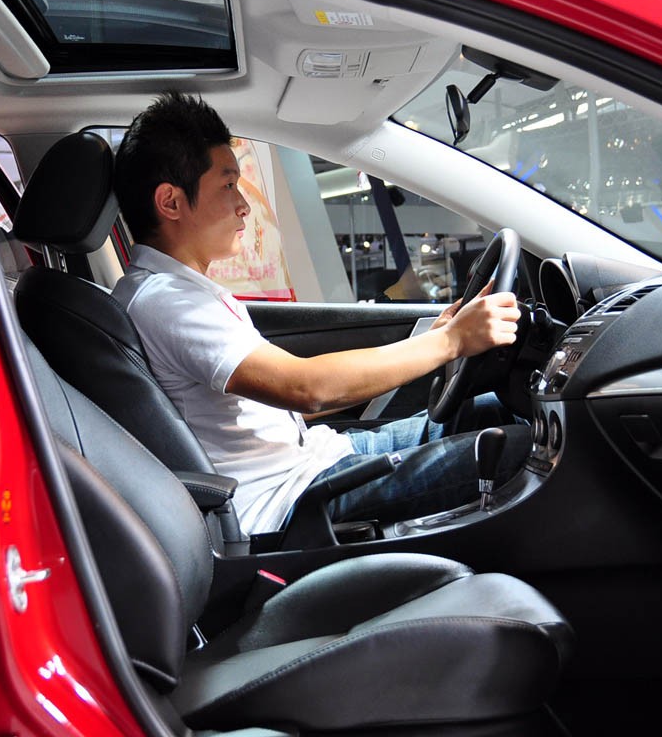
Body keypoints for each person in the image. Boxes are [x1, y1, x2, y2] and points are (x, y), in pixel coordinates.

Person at [111, 91, 530, 534]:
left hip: (314, 459)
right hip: (293, 499)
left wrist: (433, 341)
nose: (244, 205)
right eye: (228, 185)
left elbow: (276, 403)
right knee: (519, 449)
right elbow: (305, 388)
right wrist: (451, 342)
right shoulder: (168, 302)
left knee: (489, 412)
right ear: (171, 202)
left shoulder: (173, 291)